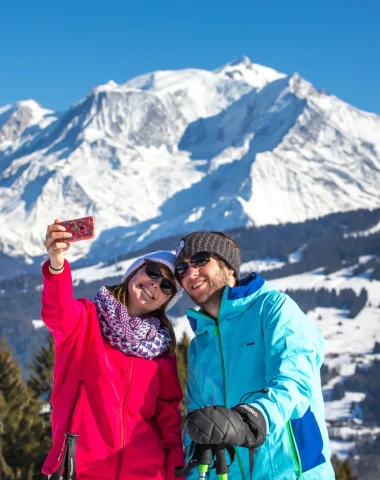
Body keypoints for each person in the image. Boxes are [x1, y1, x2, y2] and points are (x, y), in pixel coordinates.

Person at [174, 231, 335, 479]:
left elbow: (295, 381)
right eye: (181, 269)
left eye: (200, 260)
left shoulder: (273, 308)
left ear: (228, 267)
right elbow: (197, 427)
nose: (190, 272)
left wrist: (251, 418)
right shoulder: (200, 344)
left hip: (290, 471)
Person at [41, 219, 185, 480]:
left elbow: (168, 415)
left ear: (167, 301)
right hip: (80, 469)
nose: (155, 284)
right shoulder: (85, 321)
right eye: (153, 272)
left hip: (146, 473)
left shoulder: (161, 350)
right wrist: (56, 264)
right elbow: (57, 311)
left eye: (167, 287)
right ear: (134, 271)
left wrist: (174, 468)